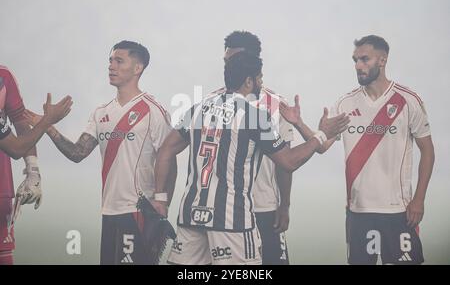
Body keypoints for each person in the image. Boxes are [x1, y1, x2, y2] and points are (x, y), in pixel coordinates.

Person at [151, 51, 349, 265]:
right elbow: (289, 162)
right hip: (232, 220)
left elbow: (166, 150)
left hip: (190, 216)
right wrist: (321, 135)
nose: (261, 83)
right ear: (248, 81)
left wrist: (160, 199)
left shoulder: (198, 109)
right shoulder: (254, 116)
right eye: (259, 78)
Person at [279, 35, 435, 265]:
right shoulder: (345, 104)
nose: (358, 66)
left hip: (399, 211)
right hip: (359, 213)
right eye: (355, 60)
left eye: (364, 59)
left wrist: (419, 199)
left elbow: (428, 151)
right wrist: (299, 123)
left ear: (382, 60)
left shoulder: (408, 100)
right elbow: (321, 145)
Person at [24, 41, 176, 265]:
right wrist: (47, 126)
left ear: (138, 68)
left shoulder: (153, 110)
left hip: (137, 211)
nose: (111, 66)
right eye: (110, 61)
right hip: (109, 211)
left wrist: (162, 202)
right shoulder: (101, 113)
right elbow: (77, 153)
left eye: (119, 61)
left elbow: (168, 157)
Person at [209, 31, 295, 264]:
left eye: (232, 60)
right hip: (223, 210)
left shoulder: (278, 106)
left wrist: (284, 205)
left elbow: (285, 163)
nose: (227, 66)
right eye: (225, 61)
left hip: (264, 207)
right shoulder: (210, 103)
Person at [0, 65, 72, 265]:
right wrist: (48, 119)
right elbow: (16, 148)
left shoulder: (3, 76)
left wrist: (33, 172)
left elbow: (20, 121)